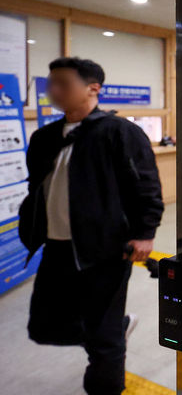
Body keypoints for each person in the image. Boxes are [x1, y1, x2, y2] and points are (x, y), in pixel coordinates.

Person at [18, 57, 164, 394]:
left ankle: (105, 380)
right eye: (50, 83)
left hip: (106, 248)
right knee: (44, 325)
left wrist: (145, 233)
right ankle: (116, 328)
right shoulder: (44, 137)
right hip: (56, 245)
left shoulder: (120, 132)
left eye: (63, 83)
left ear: (92, 89)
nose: (53, 90)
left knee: (103, 336)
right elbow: (37, 188)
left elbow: (146, 186)